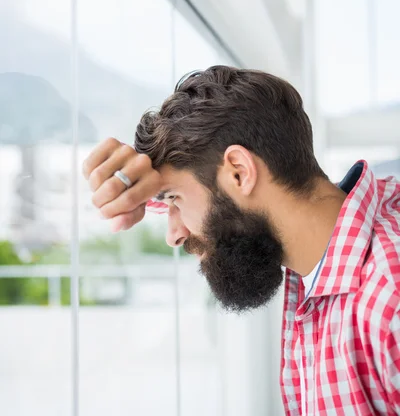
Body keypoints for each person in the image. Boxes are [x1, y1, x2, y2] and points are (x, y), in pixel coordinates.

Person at [83, 66, 400, 415]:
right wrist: (141, 184)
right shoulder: (332, 247)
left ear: (239, 171)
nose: (174, 235)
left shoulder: (389, 300)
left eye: (173, 200)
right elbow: (207, 195)